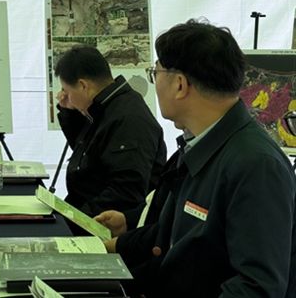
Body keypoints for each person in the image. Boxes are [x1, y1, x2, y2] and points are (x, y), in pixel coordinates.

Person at [107, 19, 296, 297]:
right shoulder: (200, 145)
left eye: (155, 73)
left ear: (180, 85)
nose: (154, 83)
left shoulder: (256, 165)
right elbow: (173, 238)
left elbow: (257, 287)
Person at [54, 45, 166, 223]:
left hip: (105, 222)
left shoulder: (129, 119)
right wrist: (69, 112)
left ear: (83, 85)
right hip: (86, 208)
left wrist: (74, 220)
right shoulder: (104, 106)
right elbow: (87, 155)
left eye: (66, 91)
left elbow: (125, 193)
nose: (61, 96)